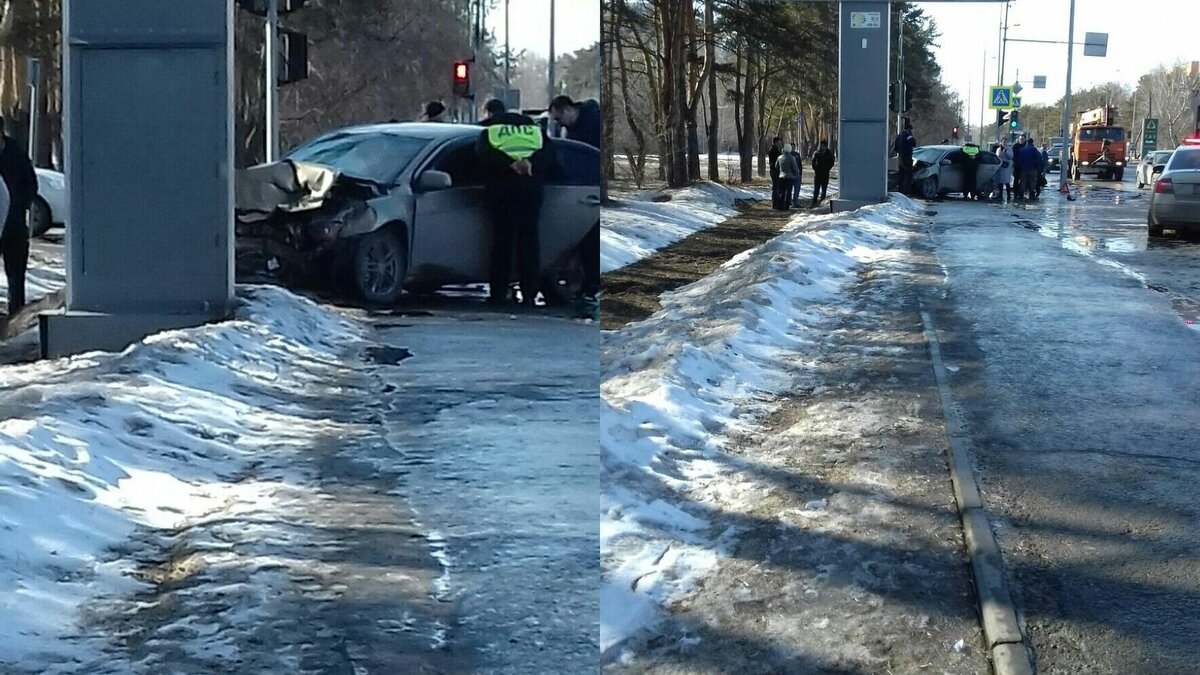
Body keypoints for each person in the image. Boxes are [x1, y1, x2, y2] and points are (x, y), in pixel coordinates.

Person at [477, 108, 554, 306]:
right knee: (529, 243)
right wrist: (529, 163)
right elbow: (551, 155)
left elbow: (482, 155)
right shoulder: (535, 131)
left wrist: (509, 165)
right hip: (530, 190)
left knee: (502, 243)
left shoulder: (492, 131)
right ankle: (529, 294)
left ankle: (498, 294)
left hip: (501, 191)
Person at [545, 95, 600, 317]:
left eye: (559, 119)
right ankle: (589, 286)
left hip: (588, 192)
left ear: (566, 109)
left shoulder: (591, 124)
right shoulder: (577, 128)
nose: (559, 125)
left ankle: (592, 285)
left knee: (588, 243)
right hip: (584, 191)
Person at [0, 117, 37, 319]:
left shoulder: (15, 155)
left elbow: (30, 184)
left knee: (16, 274)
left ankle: (16, 317)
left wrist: (20, 206)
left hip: (14, 226)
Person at [1018, 135, 1044, 201]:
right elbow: (1039, 160)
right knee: (1032, 182)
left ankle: (1021, 195)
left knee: (1023, 182)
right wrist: (1039, 169)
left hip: (1024, 169)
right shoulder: (1034, 150)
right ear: (1032, 143)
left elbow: (1020, 160)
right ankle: (1031, 195)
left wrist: (1021, 167)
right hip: (1032, 169)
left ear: (1027, 142)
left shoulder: (1022, 150)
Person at [810, 140, 835, 207]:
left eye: (823, 146)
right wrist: (815, 169)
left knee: (824, 190)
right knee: (816, 190)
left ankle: (821, 204)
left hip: (825, 174)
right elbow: (813, 162)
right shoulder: (816, 153)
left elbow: (832, 162)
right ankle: (814, 203)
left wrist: (827, 168)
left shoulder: (829, 154)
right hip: (818, 174)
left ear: (825, 146)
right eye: (820, 146)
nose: (821, 147)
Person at [894, 119, 916, 193]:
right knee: (908, 174)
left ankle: (900, 189)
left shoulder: (899, 135)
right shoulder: (908, 135)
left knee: (901, 174)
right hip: (907, 157)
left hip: (900, 157)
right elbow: (913, 143)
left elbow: (895, 147)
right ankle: (907, 191)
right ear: (909, 129)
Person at [778, 143, 801, 209]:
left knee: (782, 192)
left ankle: (780, 205)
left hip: (781, 176)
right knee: (788, 192)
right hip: (790, 177)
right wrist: (795, 174)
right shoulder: (792, 158)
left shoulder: (779, 157)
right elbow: (795, 168)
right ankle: (787, 206)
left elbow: (776, 166)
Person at [994, 137, 1014, 203]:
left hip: (1007, 167)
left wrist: (1006, 150)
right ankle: (1000, 195)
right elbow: (997, 157)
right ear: (1001, 142)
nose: (1004, 143)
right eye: (1003, 142)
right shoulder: (998, 149)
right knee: (1000, 182)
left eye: (1006, 142)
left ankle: (1008, 196)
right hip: (1000, 166)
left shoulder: (1009, 149)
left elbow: (1011, 156)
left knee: (1007, 182)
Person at [768, 137, 785, 210]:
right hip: (775, 171)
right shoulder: (773, 150)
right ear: (775, 143)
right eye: (778, 143)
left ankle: (776, 203)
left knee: (777, 187)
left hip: (776, 170)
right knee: (775, 187)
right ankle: (775, 204)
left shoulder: (776, 150)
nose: (780, 144)